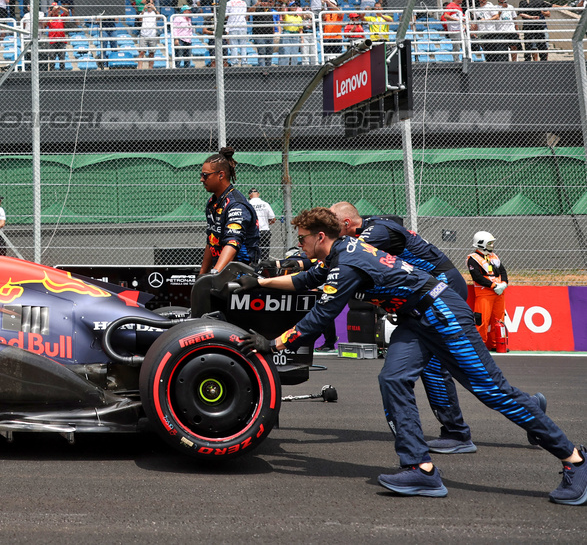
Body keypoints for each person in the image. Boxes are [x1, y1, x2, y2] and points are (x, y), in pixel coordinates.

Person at [241, 208, 586, 503]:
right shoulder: (342, 252)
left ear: (319, 236)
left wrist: (273, 344)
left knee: (492, 392)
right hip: (417, 318)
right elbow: (305, 280)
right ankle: (420, 469)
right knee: (392, 378)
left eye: (301, 239)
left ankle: (576, 460)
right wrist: (259, 283)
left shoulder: (347, 261)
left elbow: (321, 316)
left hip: (441, 313)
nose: (299, 244)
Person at [328, 202, 475, 454]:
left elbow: (344, 260)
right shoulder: (370, 229)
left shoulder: (374, 232)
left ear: (346, 223)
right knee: (453, 363)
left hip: (442, 287)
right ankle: (524, 407)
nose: (328, 231)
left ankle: (457, 433)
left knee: (438, 365)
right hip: (427, 291)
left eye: (331, 225)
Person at [198, 147, 260, 275]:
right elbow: (211, 241)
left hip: (241, 276)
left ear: (221, 175)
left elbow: (233, 242)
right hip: (221, 273)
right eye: (201, 175)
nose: (201, 179)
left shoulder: (236, 205)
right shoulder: (213, 202)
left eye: (205, 175)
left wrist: (215, 273)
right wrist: (202, 275)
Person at [467, 231, 508, 350]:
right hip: (484, 293)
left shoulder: (494, 256)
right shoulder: (473, 259)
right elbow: (477, 277)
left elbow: (503, 271)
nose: (492, 246)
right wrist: (493, 286)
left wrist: (504, 283)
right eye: (489, 243)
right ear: (481, 244)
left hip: (499, 293)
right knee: (482, 321)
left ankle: (496, 344)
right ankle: (480, 346)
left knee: (499, 319)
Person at [247, 190, 276, 263]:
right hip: (264, 230)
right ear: (258, 194)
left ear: (250, 195)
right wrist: (266, 223)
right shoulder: (265, 204)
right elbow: (273, 218)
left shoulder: (248, 204)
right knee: (265, 253)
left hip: (253, 231)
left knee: (253, 252)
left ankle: (254, 267)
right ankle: (264, 268)